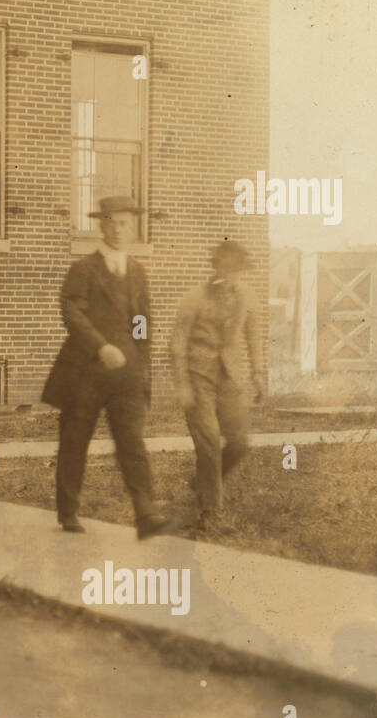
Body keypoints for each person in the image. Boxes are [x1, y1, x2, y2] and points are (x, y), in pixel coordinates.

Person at [41, 196, 174, 540]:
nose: (118, 229)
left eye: (125, 223)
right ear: (101, 225)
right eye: (112, 222)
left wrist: (142, 365)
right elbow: (72, 314)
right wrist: (101, 346)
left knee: (132, 442)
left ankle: (145, 513)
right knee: (75, 441)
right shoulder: (84, 269)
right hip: (85, 370)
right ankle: (68, 510)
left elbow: (143, 321)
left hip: (126, 374)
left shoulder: (138, 272)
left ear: (133, 227)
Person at [171, 240, 264, 532]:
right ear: (216, 266)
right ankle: (211, 511)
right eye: (225, 266)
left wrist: (258, 373)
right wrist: (182, 384)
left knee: (239, 442)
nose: (230, 273)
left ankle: (203, 482)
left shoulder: (247, 297)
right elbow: (176, 344)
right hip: (198, 377)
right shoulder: (194, 297)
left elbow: (254, 336)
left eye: (236, 268)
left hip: (230, 378)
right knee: (209, 442)